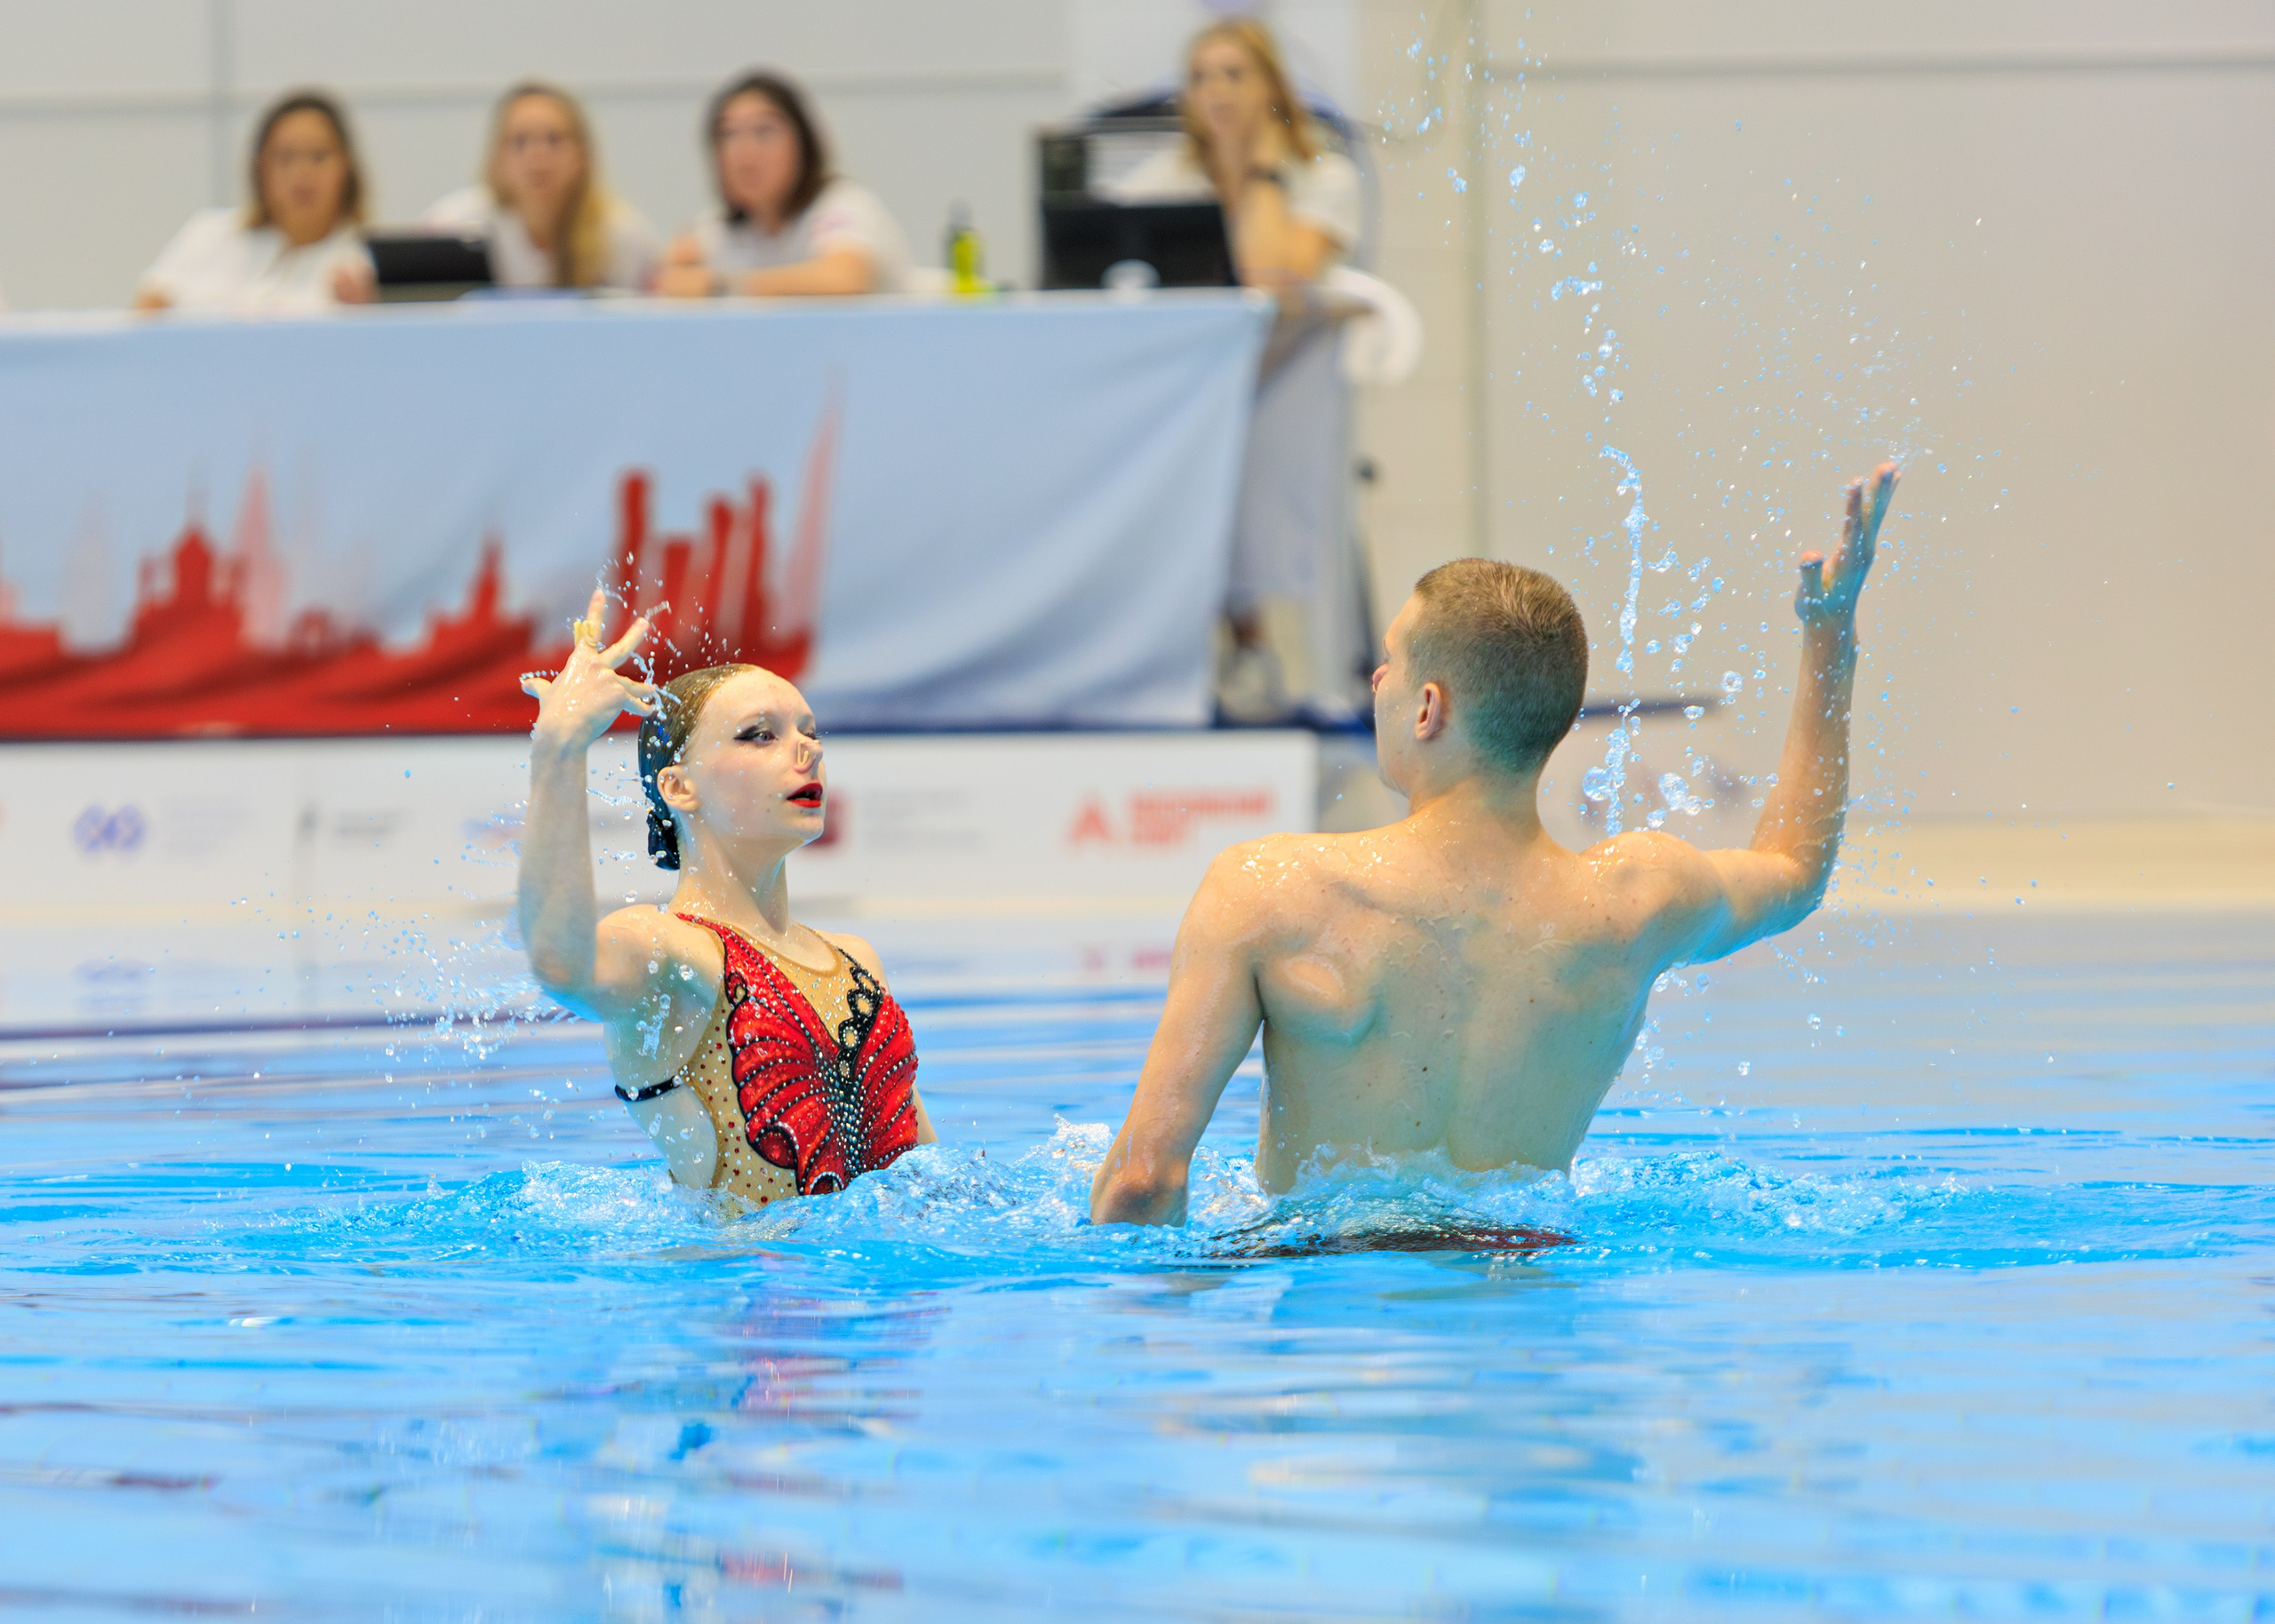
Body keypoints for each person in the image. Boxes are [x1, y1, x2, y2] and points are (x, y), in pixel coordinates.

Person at [1090, 466, 1900, 1225]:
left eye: (1392, 662)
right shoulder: (1636, 899)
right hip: (1529, 1291)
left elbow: (1142, 1179)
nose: (1375, 680)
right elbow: (1797, 872)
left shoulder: (1270, 890)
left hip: (1339, 1308)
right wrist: (1829, 641)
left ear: (1427, 708)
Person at [518, 591, 935, 1209]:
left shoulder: (855, 963)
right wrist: (559, 746)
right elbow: (561, 964)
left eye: (810, 731)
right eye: (758, 736)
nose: (806, 749)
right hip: (740, 1294)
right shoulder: (672, 958)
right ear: (680, 787)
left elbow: (929, 1173)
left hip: (885, 1290)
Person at [1106, 20, 1371, 723]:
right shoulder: (1163, 182)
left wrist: (1257, 172)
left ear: (1271, 87)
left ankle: (1260, 651)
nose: (1216, 91)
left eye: (1233, 74)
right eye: (1201, 77)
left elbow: (1273, 276)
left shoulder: (1322, 177)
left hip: (1283, 384)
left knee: (1242, 466)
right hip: (1182, 392)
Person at [657, 70, 911, 298]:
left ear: (802, 143)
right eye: (729, 134)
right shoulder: (718, 232)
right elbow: (667, 283)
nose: (745, 154)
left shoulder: (842, 205)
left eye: (763, 132)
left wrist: (723, 286)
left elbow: (845, 278)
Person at [136, 90, 374, 313]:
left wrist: (369, 311)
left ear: (347, 167)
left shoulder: (362, 264)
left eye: (318, 156)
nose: (303, 173)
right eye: (285, 157)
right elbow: (145, 316)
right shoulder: (210, 233)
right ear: (260, 169)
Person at [423, 83, 659, 291]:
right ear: (497, 158)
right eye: (520, 141)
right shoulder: (454, 227)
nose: (537, 156)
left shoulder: (623, 236)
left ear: (582, 156)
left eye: (554, 140)